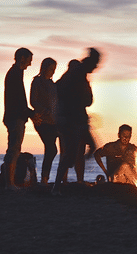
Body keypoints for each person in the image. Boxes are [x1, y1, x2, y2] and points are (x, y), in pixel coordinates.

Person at [52, 48, 101, 195]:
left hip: (78, 119)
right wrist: (65, 113)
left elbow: (88, 99)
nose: (97, 67)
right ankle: (56, 186)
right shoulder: (76, 73)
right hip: (72, 120)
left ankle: (73, 167)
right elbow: (62, 90)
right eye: (96, 64)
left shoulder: (82, 74)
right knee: (70, 155)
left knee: (91, 147)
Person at [3, 48, 35, 190]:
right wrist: (30, 113)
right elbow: (18, 100)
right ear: (22, 58)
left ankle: (9, 182)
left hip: (15, 116)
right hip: (15, 117)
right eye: (29, 60)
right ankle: (9, 183)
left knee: (14, 148)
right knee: (14, 149)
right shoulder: (14, 74)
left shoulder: (16, 73)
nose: (30, 64)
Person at [31, 57, 60, 185]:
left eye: (54, 69)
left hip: (54, 121)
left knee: (51, 149)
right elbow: (33, 101)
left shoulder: (53, 85)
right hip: (42, 120)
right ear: (44, 68)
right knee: (51, 148)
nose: (52, 72)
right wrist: (45, 110)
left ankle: (46, 178)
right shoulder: (37, 82)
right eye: (50, 69)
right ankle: (44, 178)